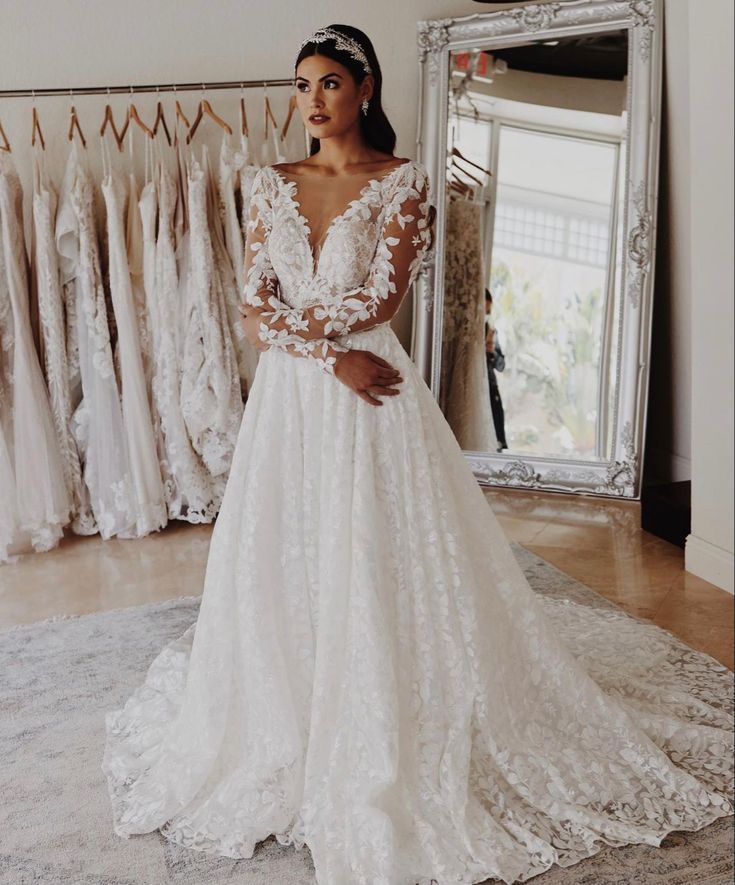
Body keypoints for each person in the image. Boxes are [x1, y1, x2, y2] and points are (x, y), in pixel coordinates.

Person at [101, 24, 734, 885]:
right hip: (304, 394)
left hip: (375, 396)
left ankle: (391, 695)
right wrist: (329, 354)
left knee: (379, 548)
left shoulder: (401, 183)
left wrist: (324, 338)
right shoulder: (268, 184)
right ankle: (294, 700)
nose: (312, 101)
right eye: (301, 86)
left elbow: (382, 297)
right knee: (288, 549)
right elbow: (253, 308)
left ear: (366, 89)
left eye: (328, 83)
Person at [485, 288, 508, 451]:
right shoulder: (466, 332)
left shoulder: (493, 332)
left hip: (491, 388)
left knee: (497, 432)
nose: (486, 315)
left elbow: (501, 366)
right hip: (475, 387)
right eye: (484, 311)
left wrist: (491, 350)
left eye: (488, 312)